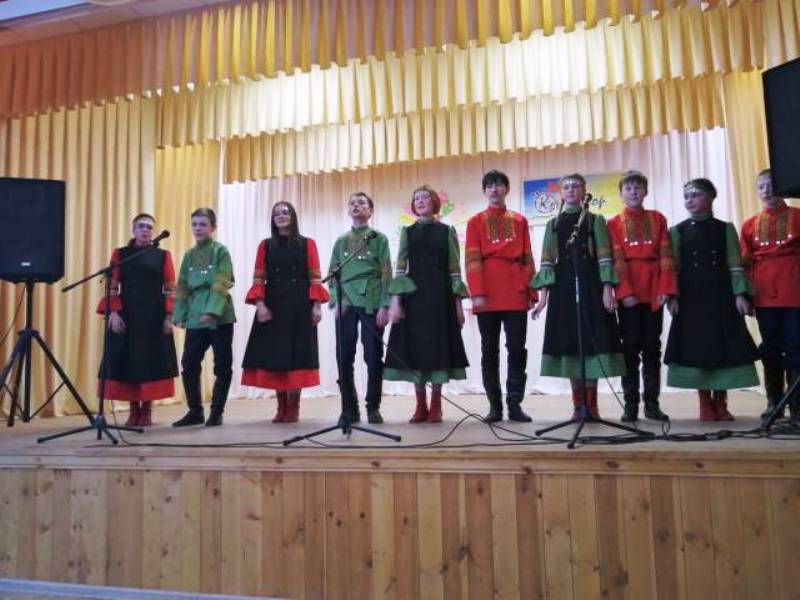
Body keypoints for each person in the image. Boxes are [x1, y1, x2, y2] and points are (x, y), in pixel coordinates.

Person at [531, 173, 626, 419]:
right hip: (563, 291)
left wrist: (607, 289)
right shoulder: (553, 224)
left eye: (575, 186)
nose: (571, 190)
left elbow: (605, 257)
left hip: (592, 288)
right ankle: (578, 406)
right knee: (571, 344)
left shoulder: (595, 220)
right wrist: (543, 298)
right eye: (566, 187)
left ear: (584, 191)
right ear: (561, 193)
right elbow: (547, 262)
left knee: (592, 342)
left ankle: (592, 406)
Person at [664, 178, 759, 421]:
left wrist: (740, 294)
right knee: (697, 348)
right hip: (691, 300)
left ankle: (721, 402)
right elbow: (673, 268)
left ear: (710, 198)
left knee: (723, 347)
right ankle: (704, 403)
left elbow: (735, 264)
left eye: (696, 195)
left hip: (721, 298)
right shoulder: (677, 231)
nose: (690, 200)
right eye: (686, 196)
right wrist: (672, 296)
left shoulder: (725, 228)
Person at [385, 185, 469, 423]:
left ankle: (437, 405)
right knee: (416, 349)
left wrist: (458, 306)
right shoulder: (407, 232)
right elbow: (400, 268)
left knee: (438, 348)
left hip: (440, 298)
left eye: (425, 197)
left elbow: (454, 270)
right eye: (416, 198)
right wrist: (396, 303)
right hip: (414, 299)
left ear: (434, 202)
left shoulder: (447, 231)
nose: (420, 201)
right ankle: (420, 404)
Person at [241, 201, 329, 423]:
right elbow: (258, 279)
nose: (280, 216)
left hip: (300, 305)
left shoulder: (308, 243)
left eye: (285, 212)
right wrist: (260, 305)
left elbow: (315, 278)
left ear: (293, 216)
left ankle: (294, 407)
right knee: (275, 356)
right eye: (276, 213)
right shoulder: (265, 245)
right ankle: (281, 405)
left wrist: (317, 306)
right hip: (273, 305)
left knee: (297, 356)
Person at [465, 170, 537, 422]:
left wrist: (532, 291)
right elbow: (472, 259)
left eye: (499, 185)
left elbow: (528, 257)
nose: (494, 190)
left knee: (517, 348)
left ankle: (515, 404)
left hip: (515, 289)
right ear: (484, 191)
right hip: (487, 290)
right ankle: (494, 406)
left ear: (507, 189)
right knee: (489, 350)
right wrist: (477, 293)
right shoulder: (475, 221)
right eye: (489, 186)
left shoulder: (520, 220)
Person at [97, 213, 178, 427]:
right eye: (141, 226)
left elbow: (170, 288)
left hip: (154, 316)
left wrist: (169, 316)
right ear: (133, 230)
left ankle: (147, 410)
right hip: (127, 315)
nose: (145, 230)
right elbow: (112, 287)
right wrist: (113, 313)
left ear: (153, 232)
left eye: (149, 227)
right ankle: (133, 410)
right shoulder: (120, 254)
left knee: (151, 362)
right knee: (129, 361)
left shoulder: (163, 256)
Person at [607, 171, 676, 422]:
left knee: (652, 349)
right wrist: (624, 292)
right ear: (621, 194)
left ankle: (652, 404)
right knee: (629, 350)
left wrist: (666, 289)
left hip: (654, 289)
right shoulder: (613, 223)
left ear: (645, 191)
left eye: (638, 187)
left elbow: (666, 255)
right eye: (628, 188)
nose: (633, 192)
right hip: (629, 291)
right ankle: (630, 405)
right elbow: (616, 259)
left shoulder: (658, 218)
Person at [740, 168, 800, 420]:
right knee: (770, 348)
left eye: (772, 186)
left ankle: (797, 405)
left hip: (795, 292)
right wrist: (744, 295)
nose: (767, 191)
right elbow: (744, 265)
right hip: (764, 294)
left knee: (796, 347)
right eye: (762, 186)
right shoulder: (749, 225)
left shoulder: (797, 216)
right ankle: (774, 402)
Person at [328, 192, 392, 424]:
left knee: (373, 356)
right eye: (352, 203)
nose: (356, 206)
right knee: (344, 356)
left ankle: (373, 407)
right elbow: (332, 273)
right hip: (346, 302)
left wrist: (385, 305)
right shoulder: (340, 241)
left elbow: (386, 273)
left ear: (371, 211)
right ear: (348, 210)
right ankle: (349, 408)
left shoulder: (379, 239)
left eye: (361, 203)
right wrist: (335, 300)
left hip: (371, 300)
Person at [172, 207, 236, 427]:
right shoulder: (189, 255)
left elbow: (223, 280)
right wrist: (179, 313)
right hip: (195, 315)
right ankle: (195, 411)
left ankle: (217, 411)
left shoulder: (221, 251)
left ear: (213, 228)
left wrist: (212, 310)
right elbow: (182, 286)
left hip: (220, 316)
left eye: (203, 224)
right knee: (189, 363)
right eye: (195, 224)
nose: (198, 228)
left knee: (222, 364)